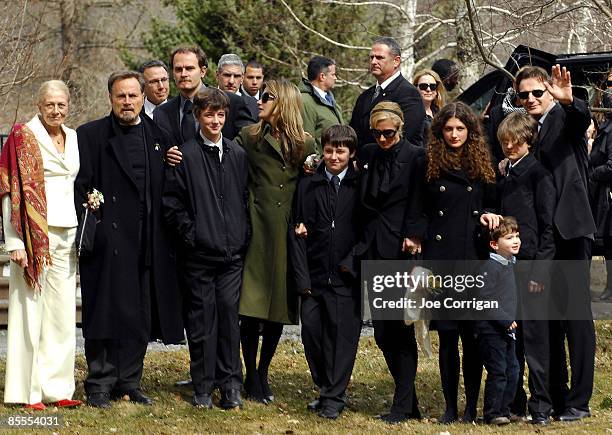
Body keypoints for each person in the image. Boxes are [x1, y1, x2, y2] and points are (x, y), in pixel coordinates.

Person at [75, 71, 183, 409]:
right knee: (103, 314)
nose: (127, 102)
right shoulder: (90, 135)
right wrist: (100, 227)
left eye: (133, 96)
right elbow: (81, 187)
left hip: (146, 243)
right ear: (111, 98)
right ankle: (99, 384)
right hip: (108, 244)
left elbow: (167, 187)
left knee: (139, 316)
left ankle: (129, 381)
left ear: (143, 97)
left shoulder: (158, 135)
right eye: (121, 96)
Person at [515, 65, 595, 422]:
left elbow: (580, 122)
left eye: (537, 93)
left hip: (571, 229)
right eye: (524, 95)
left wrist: (571, 101)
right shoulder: (529, 129)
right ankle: (558, 397)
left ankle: (579, 401)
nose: (530, 99)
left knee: (575, 319)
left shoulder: (563, 118)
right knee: (549, 320)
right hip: (543, 236)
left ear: (549, 92)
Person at [163, 87, 249, 410]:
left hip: (231, 257)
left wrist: (242, 236)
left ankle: (230, 385)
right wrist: (193, 235)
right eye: (209, 114)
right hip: (198, 256)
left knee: (229, 319)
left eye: (221, 115)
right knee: (202, 323)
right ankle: (202, 386)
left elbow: (242, 200)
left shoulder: (238, 155)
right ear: (198, 116)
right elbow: (173, 206)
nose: (215, 120)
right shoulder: (185, 155)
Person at [0, 80, 81, 410]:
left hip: (68, 235)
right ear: (38, 104)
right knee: (30, 312)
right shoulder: (23, 136)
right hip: (33, 237)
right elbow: (10, 191)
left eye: (61, 104)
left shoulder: (74, 137)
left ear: (68, 106)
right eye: (49, 104)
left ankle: (57, 389)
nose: (56, 110)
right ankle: (28, 391)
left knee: (62, 316)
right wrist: (14, 240)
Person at [237, 79, 316, 404]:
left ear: (282, 102)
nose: (259, 101)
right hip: (256, 227)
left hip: (286, 232)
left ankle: (263, 371)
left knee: (277, 309)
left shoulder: (305, 144)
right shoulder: (249, 137)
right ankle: (250, 373)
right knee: (251, 307)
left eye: (266, 97)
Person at [423, 101, 499, 424]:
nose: (454, 135)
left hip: (473, 259)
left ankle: (471, 408)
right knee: (448, 337)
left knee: (472, 337)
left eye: (460, 129)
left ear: (470, 131)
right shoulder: (429, 164)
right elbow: (420, 211)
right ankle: (450, 406)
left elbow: (494, 205)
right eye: (449, 129)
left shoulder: (483, 165)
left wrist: (491, 216)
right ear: (440, 131)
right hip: (441, 260)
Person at [355, 101, 426, 424]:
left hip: (402, 250)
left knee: (400, 330)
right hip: (373, 247)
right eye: (377, 133)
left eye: (388, 133)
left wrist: (414, 236)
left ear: (400, 129)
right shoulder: (368, 154)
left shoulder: (416, 156)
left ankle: (402, 405)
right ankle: (408, 401)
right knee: (383, 333)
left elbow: (420, 201)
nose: (382, 139)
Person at [288, 125, 361, 420]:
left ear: (351, 153)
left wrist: (351, 262)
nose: (334, 156)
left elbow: (366, 229)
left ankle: (334, 395)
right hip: (315, 276)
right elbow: (297, 228)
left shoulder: (359, 186)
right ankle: (324, 386)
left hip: (345, 276)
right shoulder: (309, 185)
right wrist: (302, 279)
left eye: (340, 151)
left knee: (341, 337)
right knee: (313, 335)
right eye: (329, 150)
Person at [496, 112, 556, 425]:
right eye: (504, 142)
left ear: (528, 141)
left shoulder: (538, 174)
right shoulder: (505, 173)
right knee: (512, 338)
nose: (508, 146)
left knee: (536, 340)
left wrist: (540, 271)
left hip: (532, 265)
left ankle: (541, 406)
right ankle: (514, 403)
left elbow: (548, 226)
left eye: (514, 142)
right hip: (508, 266)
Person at [154, 45, 254, 146]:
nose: (183, 74)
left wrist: (223, 153)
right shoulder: (161, 113)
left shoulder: (232, 102)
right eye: (178, 69)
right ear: (173, 73)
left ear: (202, 71)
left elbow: (250, 140)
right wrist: (166, 154)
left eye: (189, 68)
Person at [475, 217, 520, 426]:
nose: (516, 240)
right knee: (499, 371)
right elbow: (484, 298)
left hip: (507, 330)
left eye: (517, 236)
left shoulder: (511, 265)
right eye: (509, 237)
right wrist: (504, 320)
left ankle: (505, 408)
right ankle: (492, 412)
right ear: (494, 245)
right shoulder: (490, 267)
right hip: (491, 330)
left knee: (514, 370)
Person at [350, 37, 425, 149]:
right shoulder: (365, 96)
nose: (373, 62)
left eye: (379, 57)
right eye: (372, 57)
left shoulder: (409, 94)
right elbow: (353, 134)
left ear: (396, 61)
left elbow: (404, 136)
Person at [590, 81, 612, 301]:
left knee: (609, 244)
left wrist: (591, 172)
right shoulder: (605, 130)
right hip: (603, 196)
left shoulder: (610, 132)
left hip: (608, 197)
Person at [299, 56, 344, 150]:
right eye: (333, 74)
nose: (335, 78)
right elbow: (306, 140)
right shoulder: (305, 102)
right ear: (322, 76)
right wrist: (316, 163)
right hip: (320, 162)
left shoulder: (330, 99)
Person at [216, 53, 259, 119]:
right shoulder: (204, 100)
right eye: (227, 75)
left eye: (236, 76)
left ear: (242, 78)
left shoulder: (254, 105)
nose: (231, 81)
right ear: (217, 76)